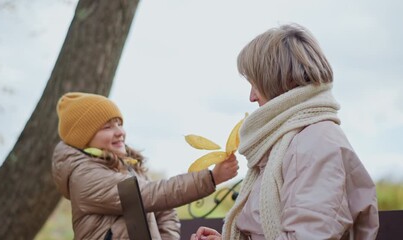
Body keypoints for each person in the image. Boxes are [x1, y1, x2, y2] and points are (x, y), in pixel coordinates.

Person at [191, 23, 379, 240]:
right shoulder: (292, 140)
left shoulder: (316, 144)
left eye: (255, 84)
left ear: (278, 81)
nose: (251, 97)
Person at [51, 92, 239, 240]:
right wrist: (211, 178)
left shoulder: (126, 166)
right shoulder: (85, 176)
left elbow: (164, 210)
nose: (120, 132)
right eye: (107, 127)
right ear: (84, 138)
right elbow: (147, 195)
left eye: (119, 124)